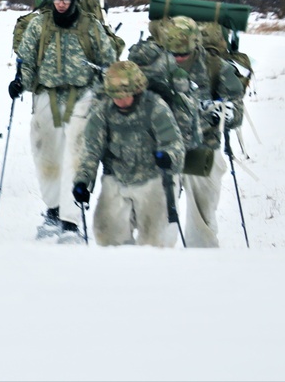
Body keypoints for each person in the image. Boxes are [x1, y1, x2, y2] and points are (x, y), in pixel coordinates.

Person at [11, 0, 117, 242]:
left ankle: (71, 219)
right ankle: (53, 209)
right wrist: (19, 83)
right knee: (46, 154)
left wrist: (108, 89)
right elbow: (27, 58)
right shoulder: (39, 25)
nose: (61, 4)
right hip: (46, 94)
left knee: (77, 154)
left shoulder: (90, 26)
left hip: (83, 95)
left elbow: (108, 59)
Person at [72, 61, 186, 247]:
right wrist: (82, 182)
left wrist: (168, 156)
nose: (120, 100)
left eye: (125, 95)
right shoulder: (102, 112)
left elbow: (174, 143)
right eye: (116, 96)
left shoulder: (155, 108)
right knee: (106, 235)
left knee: (155, 242)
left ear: (137, 90)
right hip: (116, 178)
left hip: (153, 178)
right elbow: (91, 151)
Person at [160, 16, 245, 248]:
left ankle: (203, 260)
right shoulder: (155, 64)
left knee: (202, 213)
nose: (178, 58)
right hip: (164, 148)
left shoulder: (215, 66)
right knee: (159, 210)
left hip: (203, 147)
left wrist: (225, 113)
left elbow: (236, 105)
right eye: (173, 53)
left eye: (183, 54)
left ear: (195, 45)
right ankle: (154, 259)